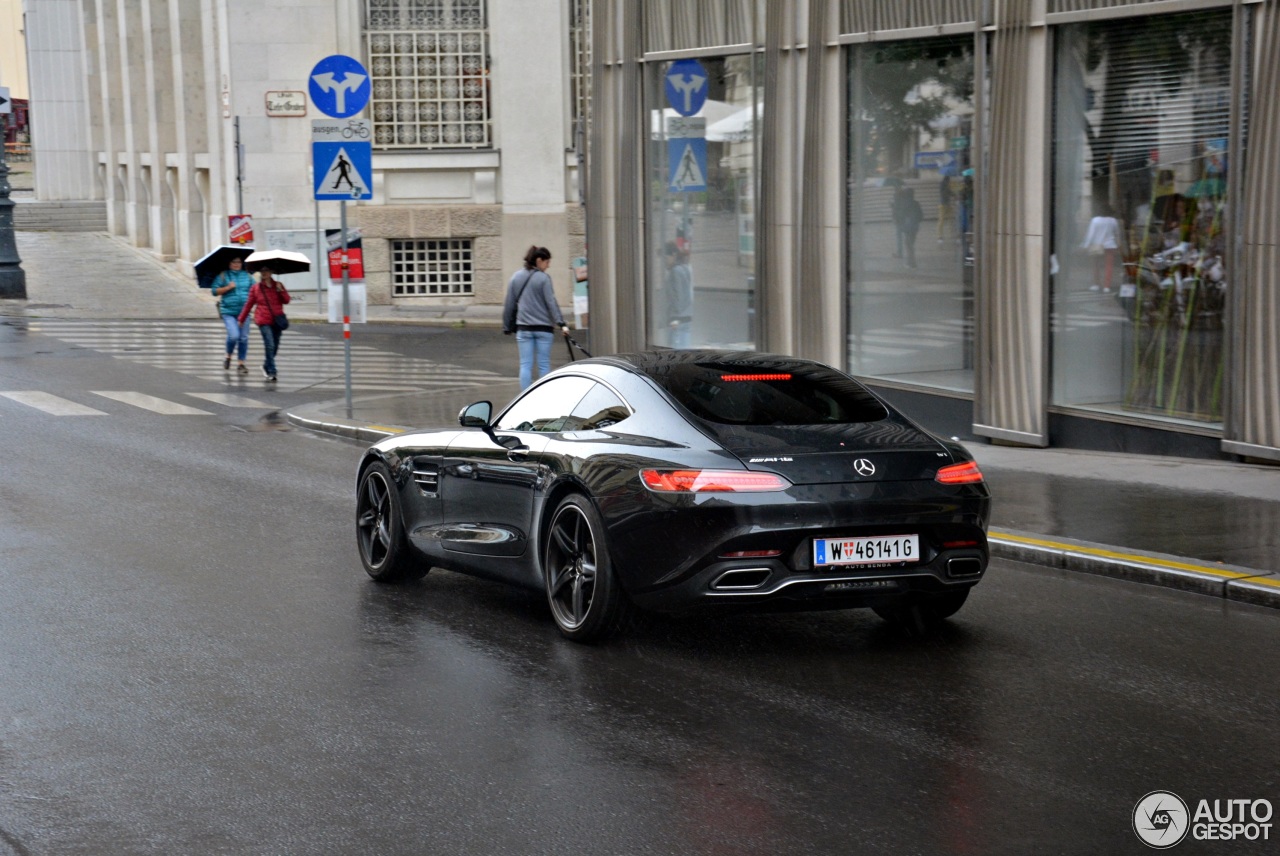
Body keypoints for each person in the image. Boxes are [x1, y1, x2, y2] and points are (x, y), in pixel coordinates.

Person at [502, 245, 569, 390]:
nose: (548, 266)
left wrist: (507, 325)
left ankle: (524, 398)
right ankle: (543, 396)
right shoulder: (544, 279)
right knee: (544, 364)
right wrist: (561, 323)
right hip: (544, 329)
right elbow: (551, 303)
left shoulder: (515, 277)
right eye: (547, 262)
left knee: (525, 365)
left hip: (524, 328)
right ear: (539, 260)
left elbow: (509, 303)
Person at [237, 265, 291, 382]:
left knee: (275, 347)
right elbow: (249, 304)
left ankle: (266, 365)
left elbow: (286, 300)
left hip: (277, 321)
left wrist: (281, 290)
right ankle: (271, 371)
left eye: (266, 270)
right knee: (270, 345)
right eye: (262, 271)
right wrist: (241, 319)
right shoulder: (256, 288)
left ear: (271, 271)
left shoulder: (278, 285)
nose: (264, 273)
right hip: (263, 320)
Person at [211, 256, 252, 373]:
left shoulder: (247, 276)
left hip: (244, 312)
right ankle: (228, 355)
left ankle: (241, 363)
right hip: (228, 312)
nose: (236, 264)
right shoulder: (223, 275)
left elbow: (255, 290)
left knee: (243, 338)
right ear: (229, 263)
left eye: (238, 262)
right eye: (234, 262)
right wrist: (228, 287)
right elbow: (214, 291)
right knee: (234, 336)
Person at [1080, 205, 1122, 293]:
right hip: (1110, 245)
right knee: (1109, 266)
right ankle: (1107, 286)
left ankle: (1096, 284)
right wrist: (1118, 244)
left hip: (1097, 246)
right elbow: (1117, 233)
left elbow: (1090, 234)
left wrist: (1085, 245)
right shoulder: (1113, 221)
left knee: (1096, 265)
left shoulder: (1095, 220)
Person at [663, 241, 693, 348]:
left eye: (666, 258)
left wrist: (673, 318)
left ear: (673, 255)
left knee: (674, 353)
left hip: (676, 319)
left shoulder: (674, 272)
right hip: (687, 317)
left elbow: (677, 296)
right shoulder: (685, 268)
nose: (665, 262)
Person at [896, 188, 923, 269]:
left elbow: (901, 216)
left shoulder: (904, 203)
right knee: (911, 243)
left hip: (908, 227)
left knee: (908, 244)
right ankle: (911, 262)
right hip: (915, 227)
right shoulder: (916, 203)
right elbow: (921, 216)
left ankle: (911, 262)